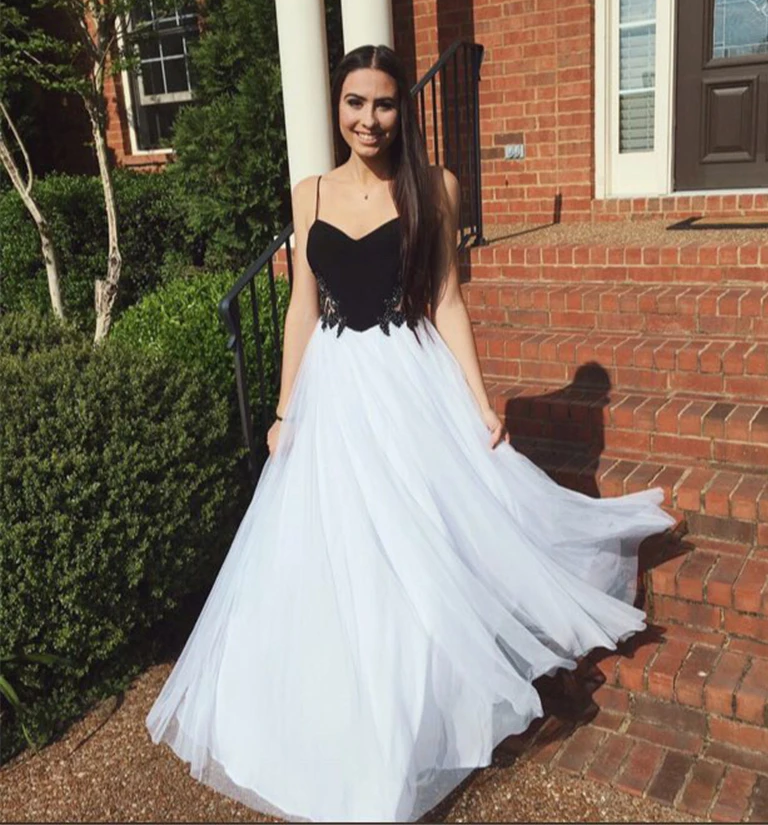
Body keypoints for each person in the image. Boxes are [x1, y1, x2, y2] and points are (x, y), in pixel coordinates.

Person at [145, 44, 676, 823]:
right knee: (338, 552)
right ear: (338, 106)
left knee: (418, 548)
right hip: (333, 389)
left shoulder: (436, 188)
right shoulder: (309, 193)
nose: (369, 119)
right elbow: (301, 307)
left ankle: (409, 727)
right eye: (355, 102)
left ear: (403, 110)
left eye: (384, 103)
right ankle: (345, 726)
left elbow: (447, 300)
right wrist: (285, 409)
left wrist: (481, 400)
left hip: (408, 379)